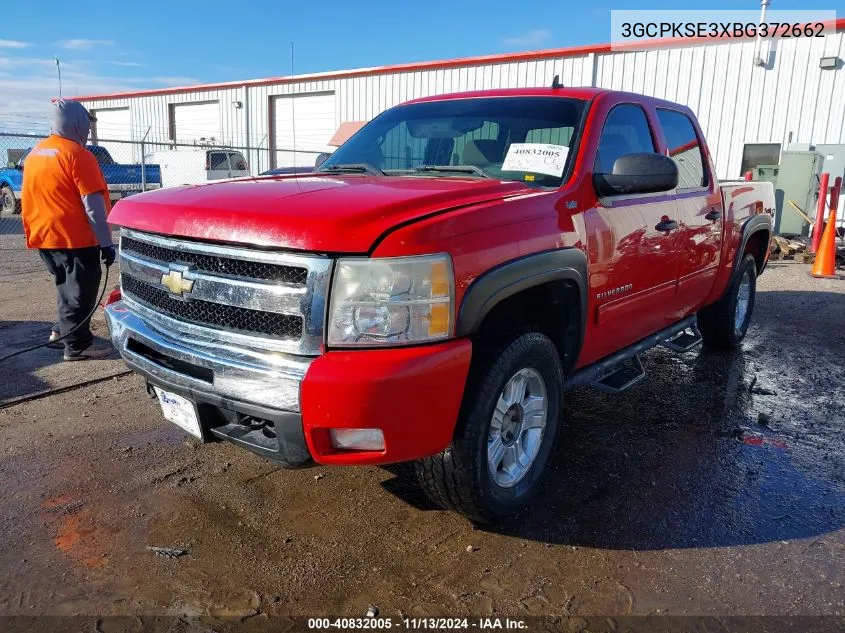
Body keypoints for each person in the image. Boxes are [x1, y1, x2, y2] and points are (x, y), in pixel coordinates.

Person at [21, 100, 116, 361]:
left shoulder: (36, 152)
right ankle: (77, 346)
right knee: (81, 291)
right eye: (86, 124)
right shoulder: (77, 155)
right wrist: (106, 242)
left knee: (66, 286)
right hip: (75, 238)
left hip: (44, 235)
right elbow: (93, 205)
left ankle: (58, 332)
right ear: (77, 123)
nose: (87, 130)